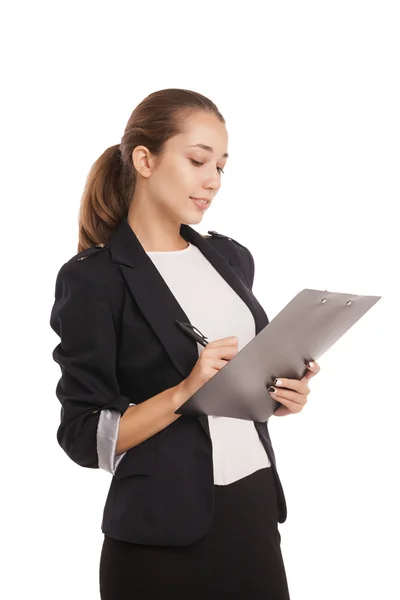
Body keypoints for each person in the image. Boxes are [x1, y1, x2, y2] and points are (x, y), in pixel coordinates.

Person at [49, 88, 321, 600]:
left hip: (253, 509)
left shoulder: (231, 258)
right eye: (198, 161)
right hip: (161, 537)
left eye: (221, 166)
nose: (212, 181)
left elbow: (239, 394)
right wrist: (184, 391)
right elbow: (83, 434)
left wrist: (280, 396)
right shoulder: (95, 280)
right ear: (144, 160)